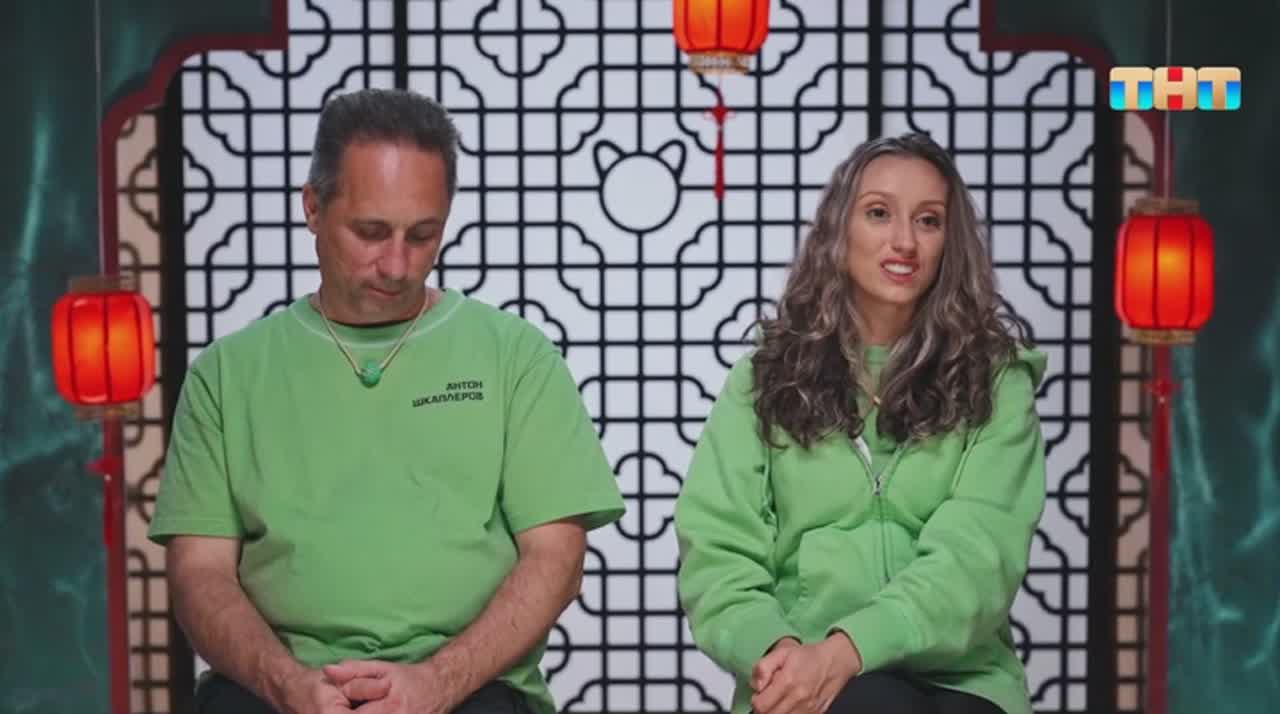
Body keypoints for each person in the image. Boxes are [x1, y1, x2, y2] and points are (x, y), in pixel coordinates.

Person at [149, 88, 625, 714]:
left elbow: (557, 557)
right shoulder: (227, 374)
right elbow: (199, 573)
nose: (397, 265)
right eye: (370, 232)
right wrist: (288, 684)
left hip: (471, 689)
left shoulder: (516, 357)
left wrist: (437, 683)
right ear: (313, 207)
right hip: (273, 689)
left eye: (422, 235)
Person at [674, 133, 1048, 714]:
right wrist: (779, 653)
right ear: (838, 229)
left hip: (964, 681)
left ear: (950, 243)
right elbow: (718, 552)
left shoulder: (996, 381)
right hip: (800, 673)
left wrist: (848, 650)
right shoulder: (763, 379)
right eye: (878, 213)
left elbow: (977, 560)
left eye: (928, 220)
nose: (905, 242)